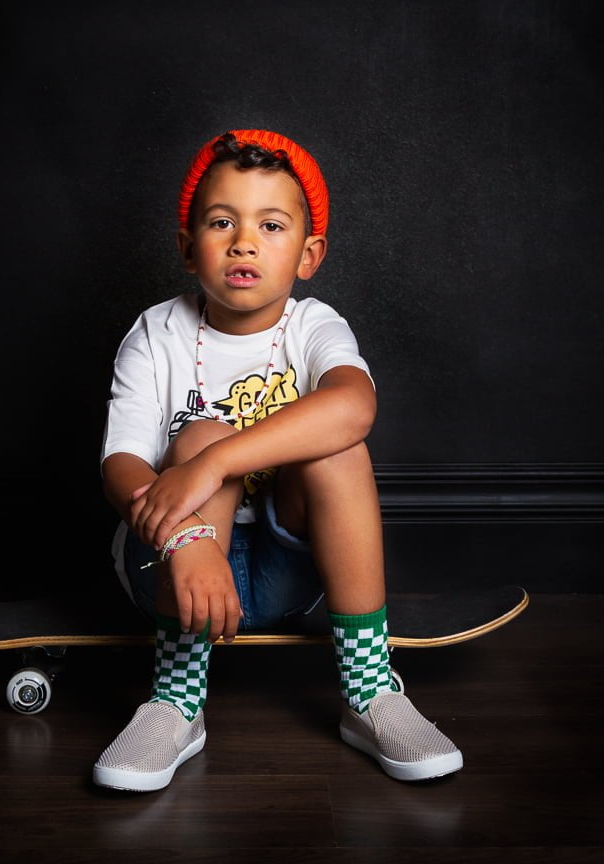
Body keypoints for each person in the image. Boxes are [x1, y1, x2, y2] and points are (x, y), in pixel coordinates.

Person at [94, 129, 461, 792]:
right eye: (220, 222)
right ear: (186, 247)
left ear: (308, 253)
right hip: (171, 571)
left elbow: (355, 407)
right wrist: (189, 536)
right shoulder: (158, 332)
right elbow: (119, 466)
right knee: (197, 435)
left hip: (285, 575)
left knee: (334, 445)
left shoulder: (313, 326)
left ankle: (370, 693)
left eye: (270, 224)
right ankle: (175, 701)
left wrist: (211, 465)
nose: (243, 241)